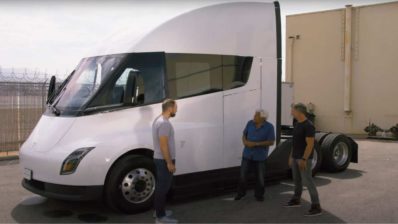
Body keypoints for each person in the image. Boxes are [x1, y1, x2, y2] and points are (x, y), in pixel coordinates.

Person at [284, 103, 322, 216]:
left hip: (303, 159)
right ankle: (296, 199)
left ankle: (316, 206)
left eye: (292, 110)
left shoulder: (308, 125)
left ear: (299, 112)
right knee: (296, 180)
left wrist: (304, 159)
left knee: (308, 181)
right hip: (295, 157)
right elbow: (295, 143)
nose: (291, 112)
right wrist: (291, 156)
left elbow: (310, 145)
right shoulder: (297, 123)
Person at [235, 109, 275, 201]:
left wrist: (256, 144)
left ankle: (259, 195)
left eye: (256, 115)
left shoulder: (269, 127)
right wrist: (245, 142)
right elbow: (244, 134)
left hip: (260, 157)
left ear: (262, 118)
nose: (254, 117)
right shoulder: (250, 123)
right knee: (242, 176)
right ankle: (241, 194)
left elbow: (271, 142)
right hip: (247, 155)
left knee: (260, 177)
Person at [152, 99, 178, 223]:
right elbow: (163, 145)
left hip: (159, 159)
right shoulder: (164, 123)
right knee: (163, 188)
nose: (176, 110)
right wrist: (169, 162)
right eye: (175, 107)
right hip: (163, 160)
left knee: (160, 187)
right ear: (170, 108)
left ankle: (158, 210)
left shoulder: (159, 120)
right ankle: (160, 217)